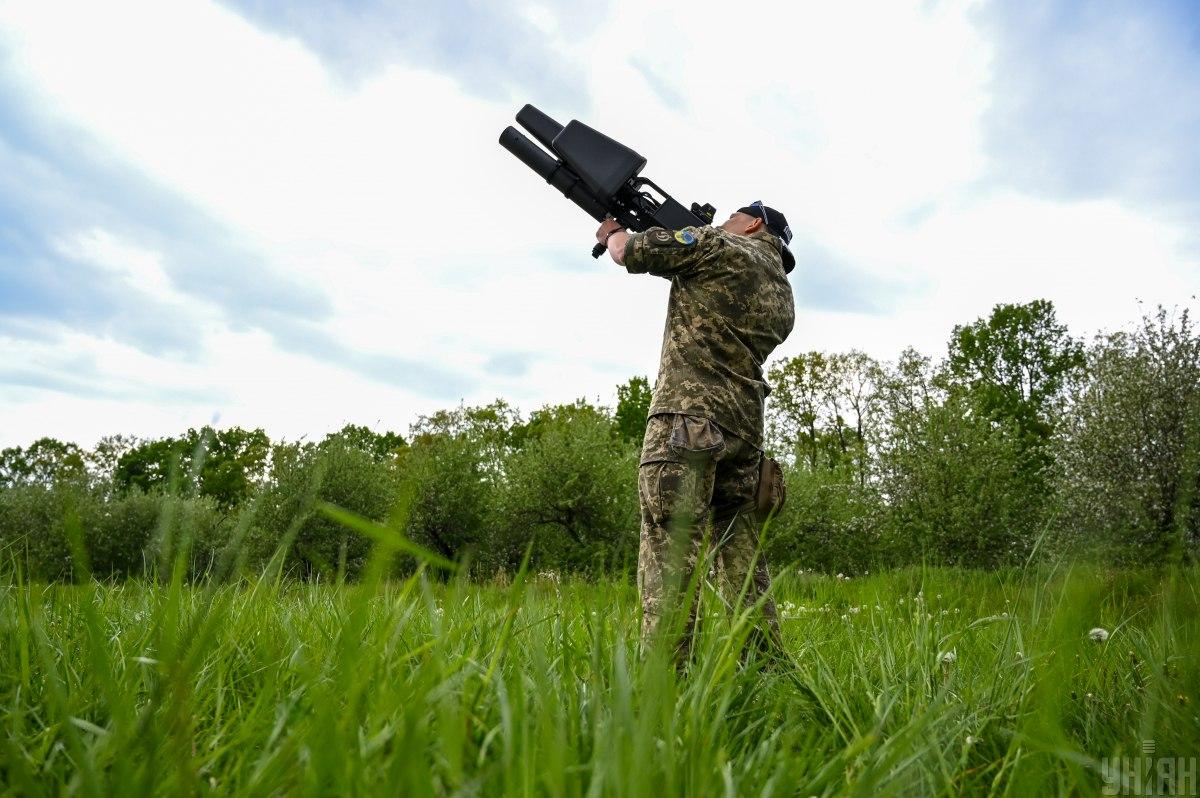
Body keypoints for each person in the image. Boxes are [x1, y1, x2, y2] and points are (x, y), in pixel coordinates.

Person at [595, 202, 796, 663]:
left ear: (754, 224)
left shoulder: (719, 247)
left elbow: (629, 252)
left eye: (733, 217)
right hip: (744, 435)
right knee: (743, 561)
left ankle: (665, 685)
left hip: (688, 424)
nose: (722, 222)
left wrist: (610, 232)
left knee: (671, 552)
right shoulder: (783, 298)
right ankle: (767, 674)